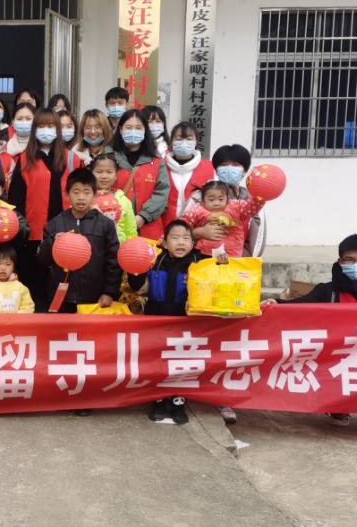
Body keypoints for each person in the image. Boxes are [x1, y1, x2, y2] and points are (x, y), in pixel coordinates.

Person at [270, 234, 357, 445]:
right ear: (340, 261)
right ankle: (339, 408)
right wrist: (275, 304)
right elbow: (299, 307)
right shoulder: (328, 291)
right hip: (341, 357)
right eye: (349, 260)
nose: (356, 265)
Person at [132, 220, 206, 426]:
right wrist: (134, 269)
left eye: (186, 238)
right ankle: (157, 400)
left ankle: (178, 401)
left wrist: (222, 262)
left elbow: (220, 277)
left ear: (193, 243)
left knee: (182, 364)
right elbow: (139, 288)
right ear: (164, 242)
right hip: (156, 321)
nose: (181, 242)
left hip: (186, 324)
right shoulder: (154, 261)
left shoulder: (201, 264)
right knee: (157, 362)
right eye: (175, 238)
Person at [6, 107, 79, 301]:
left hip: (67, 233)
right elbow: (15, 202)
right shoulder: (24, 159)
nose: (46, 130)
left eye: (51, 126)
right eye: (41, 126)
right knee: (35, 288)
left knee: (63, 287)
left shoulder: (72, 158)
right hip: (33, 236)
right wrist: (23, 231)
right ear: (34, 129)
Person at [37, 167, 121, 315]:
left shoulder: (105, 224)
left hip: (94, 297)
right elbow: (42, 260)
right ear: (67, 195)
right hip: (62, 298)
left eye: (86, 192)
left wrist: (109, 292)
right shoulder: (55, 223)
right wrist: (52, 242)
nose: (81, 197)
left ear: (94, 195)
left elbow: (113, 261)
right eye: (76, 192)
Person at [188, 143, 266, 258]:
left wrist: (247, 258)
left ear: (244, 171)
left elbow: (258, 235)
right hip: (203, 257)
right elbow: (182, 227)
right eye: (224, 165)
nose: (229, 168)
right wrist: (199, 232)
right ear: (216, 170)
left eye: (235, 165)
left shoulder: (252, 200)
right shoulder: (199, 196)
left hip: (238, 259)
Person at [109, 109, 169, 241]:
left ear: (145, 130)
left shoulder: (156, 159)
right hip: (115, 228)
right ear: (120, 129)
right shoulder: (108, 156)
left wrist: (143, 216)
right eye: (128, 127)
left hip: (148, 228)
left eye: (138, 128)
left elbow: (162, 192)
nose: (133, 131)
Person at [181, 180, 266, 258]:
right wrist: (199, 231)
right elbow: (182, 226)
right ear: (203, 200)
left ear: (227, 199)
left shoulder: (236, 207)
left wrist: (260, 197)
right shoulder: (197, 209)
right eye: (211, 200)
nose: (216, 203)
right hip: (204, 254)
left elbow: (251, 208)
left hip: (232, 254)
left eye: (221, 199)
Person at [161, 121, 214, 229]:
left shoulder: (210, 168)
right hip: (164, 229)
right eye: (179, 139)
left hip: (198, 230)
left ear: (196, 141)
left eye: (189, 139)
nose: (184, 143)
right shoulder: (160, 167)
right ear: (171, 141)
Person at [91, 153, 138, 242]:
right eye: (99, 172)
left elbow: (131, 231)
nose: (104, 176)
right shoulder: (86, 199)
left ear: (116, 175)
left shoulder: (124, 201)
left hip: (119, 248)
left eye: (109, 172)